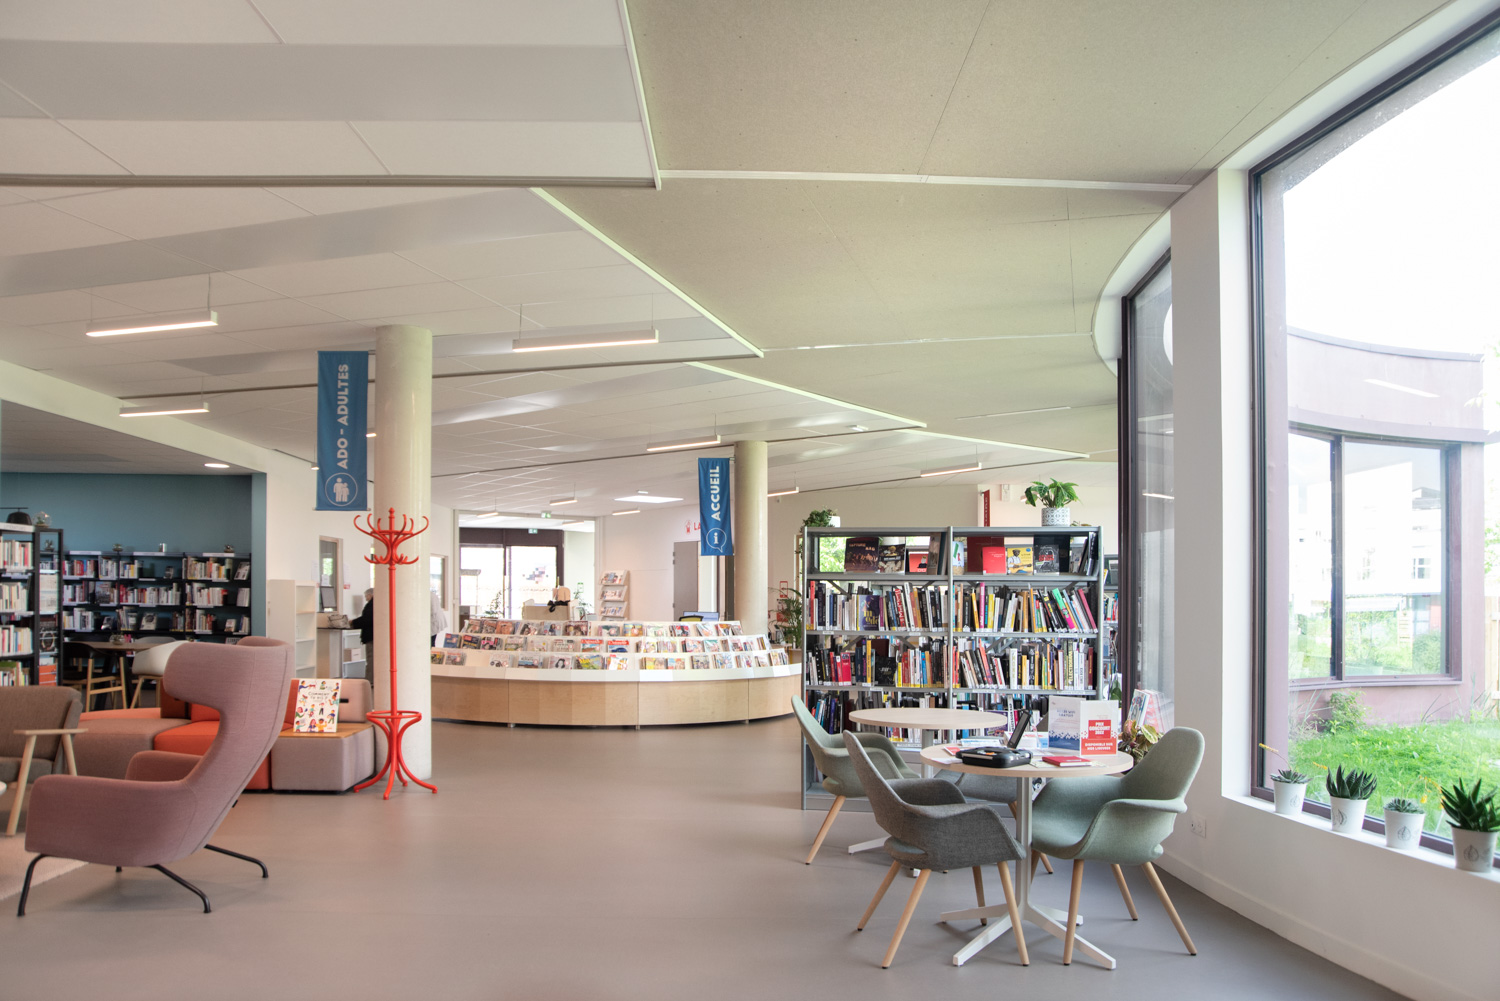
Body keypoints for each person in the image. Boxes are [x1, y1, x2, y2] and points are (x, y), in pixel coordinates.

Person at [354, 588, 375, 681]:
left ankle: (369, 681)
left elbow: (366, 619)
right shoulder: (379, 603)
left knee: (371, 659)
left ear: (370, 595)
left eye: (366, 596)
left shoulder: (371, 605)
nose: (366, 598)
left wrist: (353, 622)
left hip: (371, 637)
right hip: (374, 636)